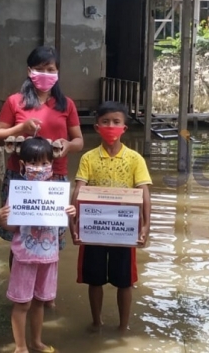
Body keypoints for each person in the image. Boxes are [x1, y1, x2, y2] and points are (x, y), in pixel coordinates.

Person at [0, 45, 84, 306]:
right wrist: (21, 127)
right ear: (29, 71)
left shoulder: (67, 104)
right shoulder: (15, 101)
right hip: (20, 179)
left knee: (50, 237)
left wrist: (67, 145)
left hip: (54, 178)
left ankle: (45, 293)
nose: (46, 74)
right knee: (18, 236)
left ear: (58, 72)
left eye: (51, 69)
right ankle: (20, 293)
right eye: (40, 69)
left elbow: (79, 140)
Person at [68, 101, 152, 333]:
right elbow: (78, 191)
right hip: (93, 230)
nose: (111, 126)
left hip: (124, 231)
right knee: (94, 279)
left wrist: (146, 226)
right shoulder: (88, 158)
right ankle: (96, 322)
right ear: (97, 127)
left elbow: (144, 193)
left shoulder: (135, 159)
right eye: (105, 122)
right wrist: (72, 223)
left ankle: (123, 326)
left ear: (124, 128)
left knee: (125, 281)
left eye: (116, 122)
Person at [0, 137, 76, 353]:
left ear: (52, 164)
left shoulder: (57, 192)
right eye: (33, 163)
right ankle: (20, 347)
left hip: (49, 257)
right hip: (24, 256)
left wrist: (71, 214)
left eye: (44, 163)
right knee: (22, 304)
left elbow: (61, 224)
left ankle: (37, 341)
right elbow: (13, 229)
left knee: (40, 302)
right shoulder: (18, 193)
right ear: (22, 166)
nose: (39, 168)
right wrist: (0, 218)